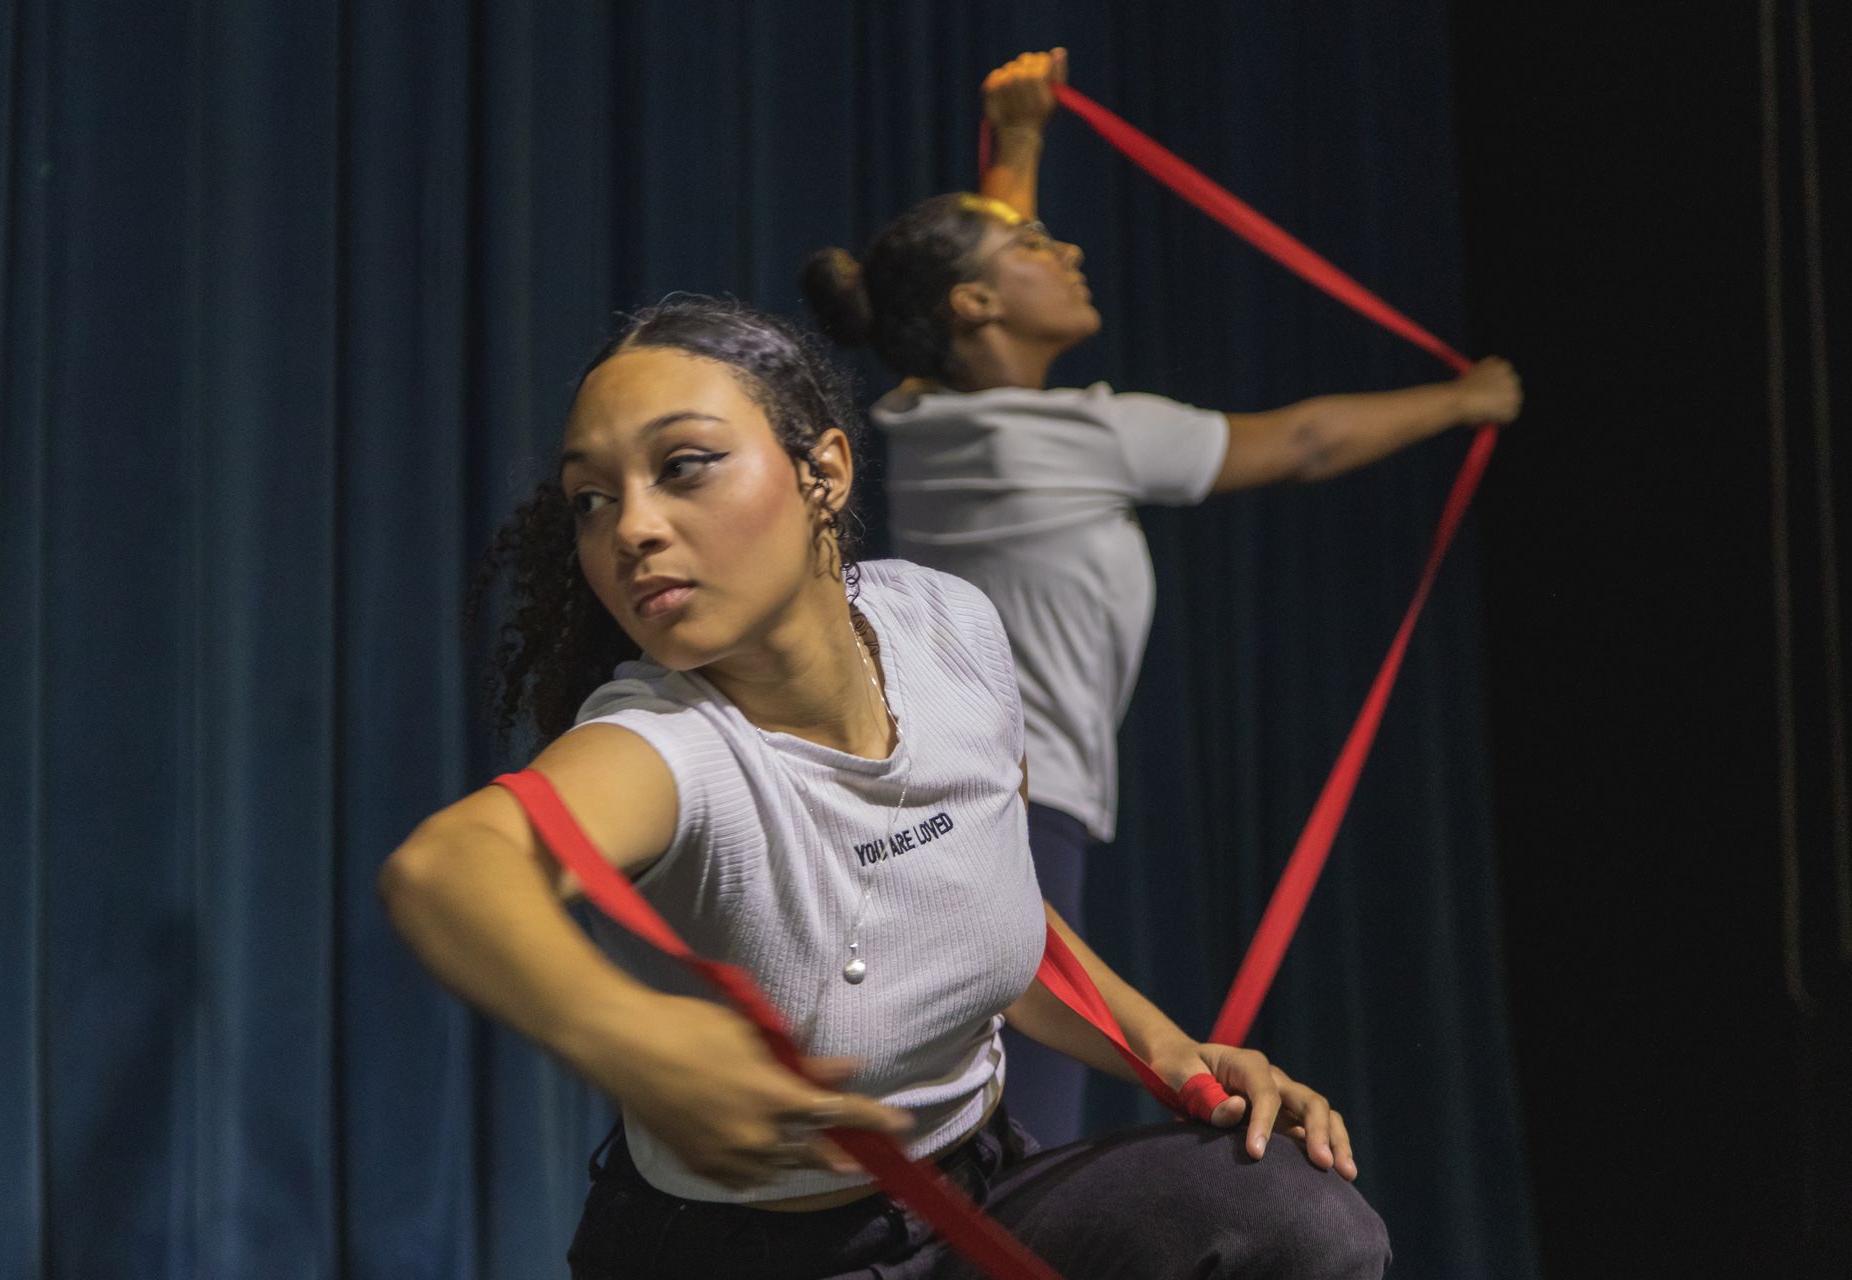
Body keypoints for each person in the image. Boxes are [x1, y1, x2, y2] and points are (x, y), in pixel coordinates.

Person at [380, 297, 1389, 1278]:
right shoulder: (662, 742)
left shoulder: (949, 624)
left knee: (1296, 1214)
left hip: (981, 1197)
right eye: (591, 500)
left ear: (823, 470)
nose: (630, 527)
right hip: (744, 1257)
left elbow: (985, 893)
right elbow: (448, 866)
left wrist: (1166, 1049)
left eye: (683, 466)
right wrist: (628, 1036)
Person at [799, 48, 1524, 1148]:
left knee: (984, 1134)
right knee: (1021, 1140)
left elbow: (961, 294)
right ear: (978, 301)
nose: (1067, 250)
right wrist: (1467, 399)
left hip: (966, 802)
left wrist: (1020, 146)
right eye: (1036, 245)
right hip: (1017, 813)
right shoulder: (1076, 438)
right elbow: (1307, 441)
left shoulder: (928, 419)